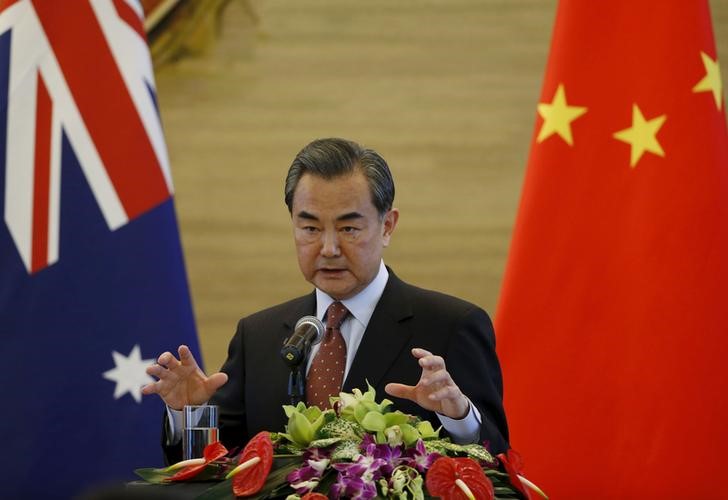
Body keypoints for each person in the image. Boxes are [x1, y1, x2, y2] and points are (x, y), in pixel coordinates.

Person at [142, 138, 509, 462]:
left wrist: (460, 419)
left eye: (349, 228)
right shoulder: (258, 335)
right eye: (310, 228)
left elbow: (500, 461)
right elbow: (214, 467)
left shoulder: (450, 326)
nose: (329, 248)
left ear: (387, 226)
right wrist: (190, 415)